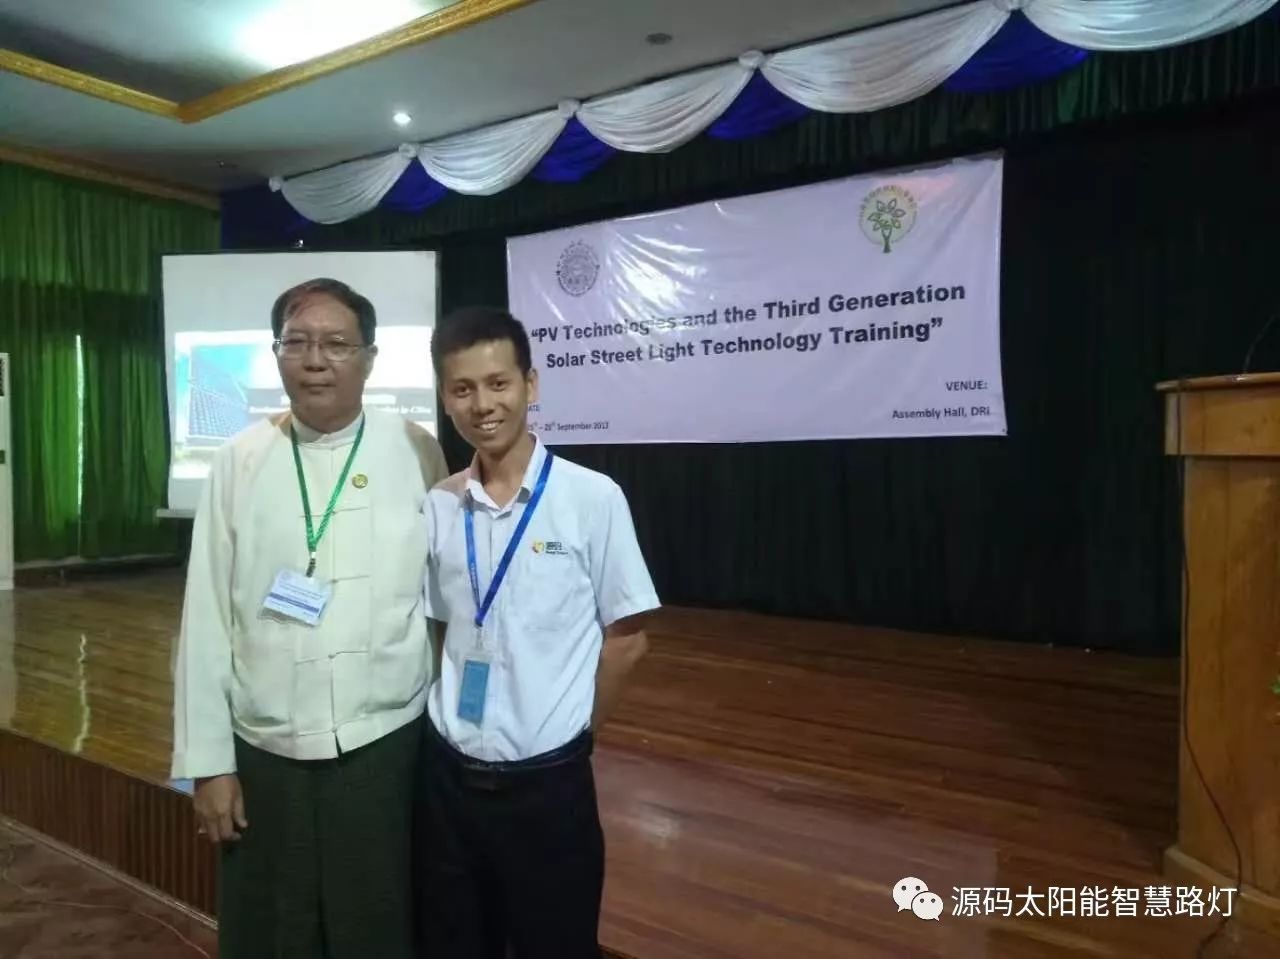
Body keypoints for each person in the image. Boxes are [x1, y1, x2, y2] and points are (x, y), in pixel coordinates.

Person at [170, 277, 448, 959]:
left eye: (336, 344)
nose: (315, 360)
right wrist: (209, 765)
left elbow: (440, 604)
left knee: (379, 927)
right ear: (276, 354)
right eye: (296, 343)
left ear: (370, 358)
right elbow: (206, 615)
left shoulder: (416, 449)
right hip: (267, 748)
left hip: (384, 743)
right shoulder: (239, 460)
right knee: (272, 930)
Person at [418, 306, 660, 959]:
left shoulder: (592, 497)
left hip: (548, 789)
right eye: (463, 388)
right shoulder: (439, 505)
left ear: (531, 383)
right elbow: (440, 631)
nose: (482, 404)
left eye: (498, 383)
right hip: (448, 784)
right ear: (445, 396)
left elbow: (628, 637)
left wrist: (575, 735)